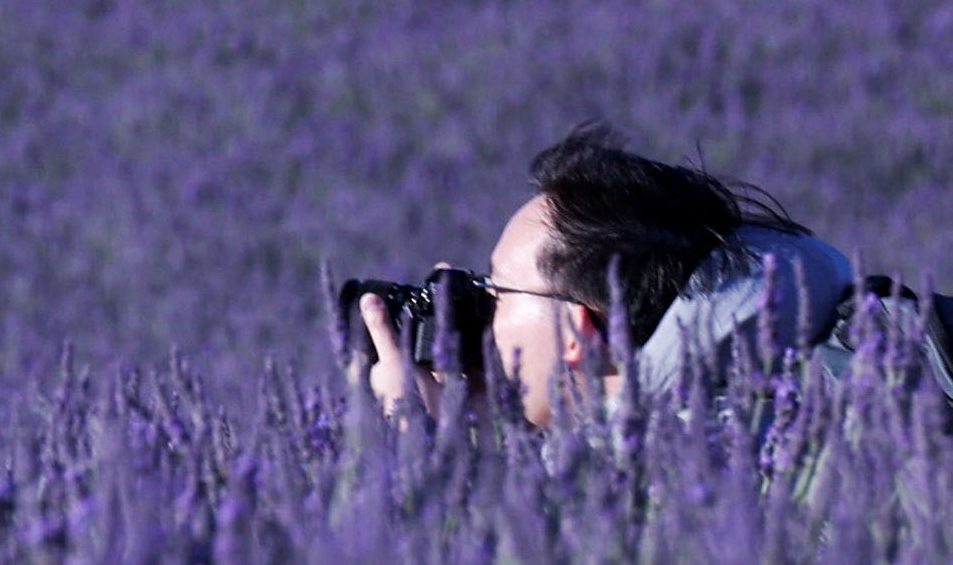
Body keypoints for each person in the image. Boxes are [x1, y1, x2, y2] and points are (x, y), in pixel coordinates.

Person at [354, 123, 854, 427]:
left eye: (495, 292)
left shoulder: (692, 465)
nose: (472, 307)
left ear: (577, 332)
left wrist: (434, 462)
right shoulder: (774, 400)